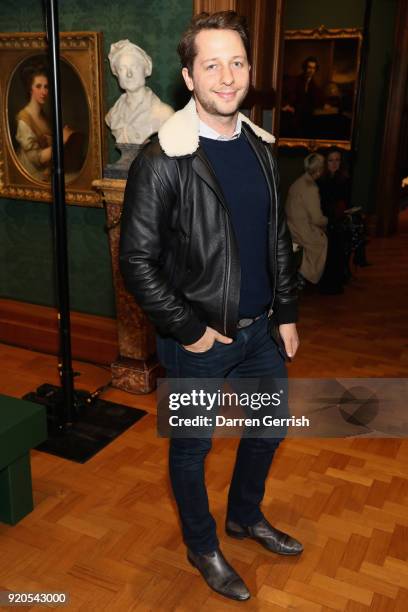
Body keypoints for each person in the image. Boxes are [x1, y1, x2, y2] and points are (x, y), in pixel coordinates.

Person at [120, 11, 302, 602]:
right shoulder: (161, 159)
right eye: (212, 64)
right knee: (193, 449)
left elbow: (277, 237)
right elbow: (137, 263)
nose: (228, 76)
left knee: (269, 427)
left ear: (249, 69)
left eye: (238, 62)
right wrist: (189, 330)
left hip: (260, 332)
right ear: (189, 76)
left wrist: (287, 313)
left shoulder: (259, 147)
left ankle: (244, 515)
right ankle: (202, 546)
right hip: (197, 339)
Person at [318, 147, 369, 289]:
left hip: (339, 215)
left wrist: (350, 210)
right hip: (326, 217)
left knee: (357, 221)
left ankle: (354, 260)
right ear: (325, 162)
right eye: (331, 160)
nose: (334, 164)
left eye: (337, 160)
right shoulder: (321, 181)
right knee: (344, 231)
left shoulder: (343, 179)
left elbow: (346, 201)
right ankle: (355, 260)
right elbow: (322, 205)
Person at [105, 39, 174, 144]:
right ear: (117, 74)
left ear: (146, 70)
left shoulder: (164, 114)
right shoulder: (113, 114)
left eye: (134, 67)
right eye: (122, 69)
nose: (129, 74)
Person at [15, 64, 73, 183]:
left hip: (46, 173)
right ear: (29, 89)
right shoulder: (23, 119)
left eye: (46, 87)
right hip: (30, 176)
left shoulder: (44, 116)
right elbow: (37, 159)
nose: (44, 91)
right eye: (38, 86)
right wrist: (60, 141)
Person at [285, 153, 328, 287]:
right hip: (300, 229)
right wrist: (327, 221)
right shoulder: (310, 187)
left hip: (290, 225)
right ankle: (305, 274)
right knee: (322, 241)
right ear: (319, 170)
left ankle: (304, 273)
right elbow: (317, 218)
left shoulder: (299, 181)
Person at [281, 56, 323, 138]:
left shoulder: (314, 86)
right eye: (309, 67)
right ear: (304, 68)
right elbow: (286, 95)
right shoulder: (295, 80)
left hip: (306, 116)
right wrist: (286, 105)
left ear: (315, 70)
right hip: (293, 115)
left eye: (313, 68)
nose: (311, 70)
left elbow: (316, 102)